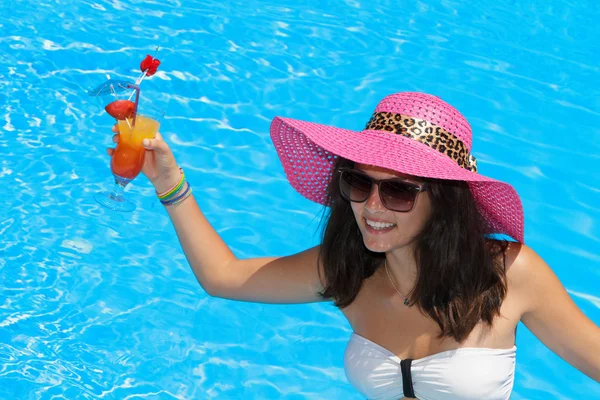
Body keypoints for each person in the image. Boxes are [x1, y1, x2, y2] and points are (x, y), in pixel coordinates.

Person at [107, 92, 600, 399]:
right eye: (359, 183)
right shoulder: (348, 270)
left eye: (400, 189)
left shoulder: (507, 274)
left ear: (444, 202)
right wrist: (169, 183)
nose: (373, 206)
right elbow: (223, 277)